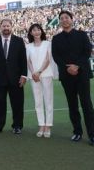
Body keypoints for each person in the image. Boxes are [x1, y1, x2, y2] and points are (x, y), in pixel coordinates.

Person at [52, 11, 94, 145]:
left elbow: (87, 51)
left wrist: (76, 66)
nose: (64, 20)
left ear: (72, 19)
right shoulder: (56, 38)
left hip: (82, 74)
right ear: (59, 21)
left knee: (86, 104)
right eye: (61, 18)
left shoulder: (82, 35)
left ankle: (92, 134)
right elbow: (56, 56)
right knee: (72, 104)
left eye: (66, 18)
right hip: (66, 75)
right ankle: (77, 132)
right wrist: (67, 67)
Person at [0, 19, 27, 135]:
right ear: (0, 27)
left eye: (8, 26)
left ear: (12, 27)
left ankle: (17, 126)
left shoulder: (19, 41)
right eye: (4, 26)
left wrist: (24, 76)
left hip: (16, 78)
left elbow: (23, 60)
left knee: (17, 103)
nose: (6, 28)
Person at [26, 23, 55, 138]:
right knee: (38, 102)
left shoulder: (48, 44)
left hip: (46, 74)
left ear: (41, 31)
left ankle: (48, 126)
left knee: (48, 100)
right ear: (31, 33)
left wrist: (40, 71)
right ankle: (41, 125)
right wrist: (34, 73)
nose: (36, 32)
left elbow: (48, 59)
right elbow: (28, 61)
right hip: (33, 76)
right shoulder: (28, 46)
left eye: (38, 30)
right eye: (34, 30)